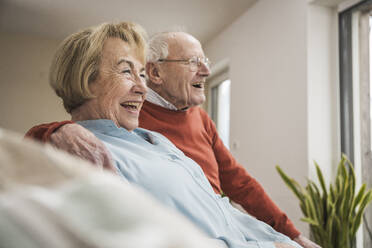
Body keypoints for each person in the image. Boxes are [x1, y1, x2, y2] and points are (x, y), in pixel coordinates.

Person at [26, 31, 319, 248]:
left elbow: (236, 183)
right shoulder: (95, 146)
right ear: (158, 72)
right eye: (193, 62)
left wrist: (290, 235)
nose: (205, 70)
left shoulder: (170, 129)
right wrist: (52, 132)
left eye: (139, 73)